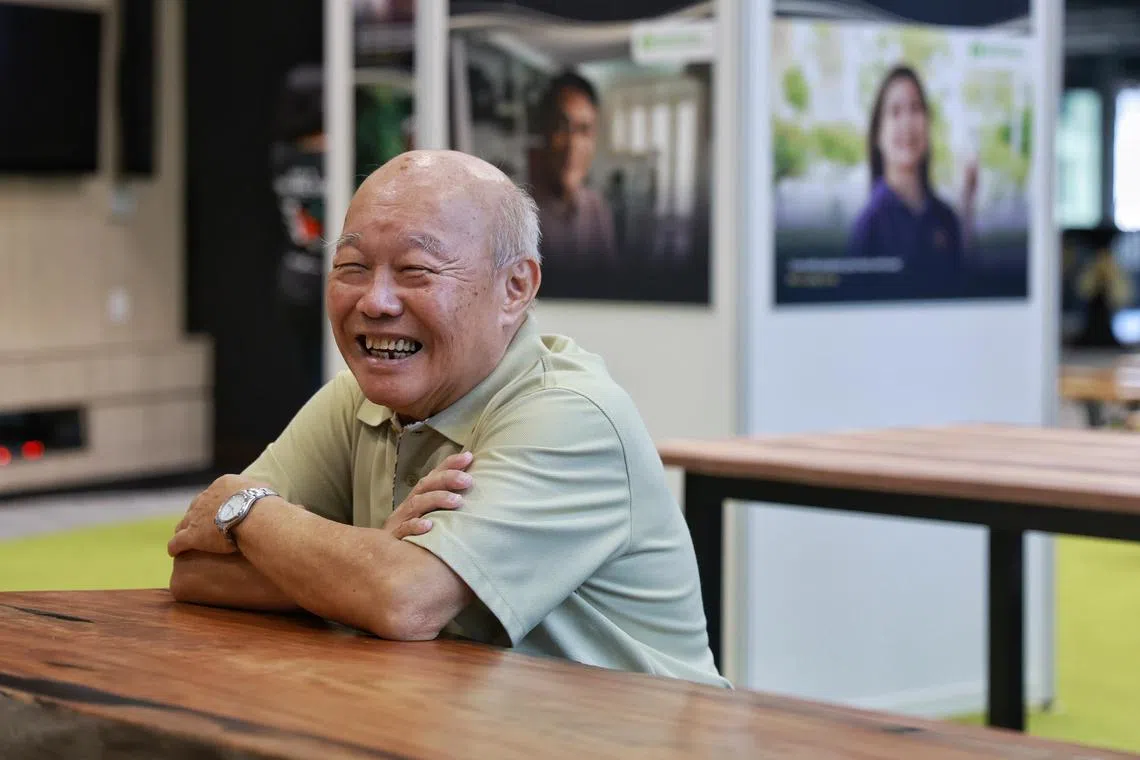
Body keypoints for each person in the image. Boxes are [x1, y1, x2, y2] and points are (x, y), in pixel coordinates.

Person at [167, 150, 729, 689]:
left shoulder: (570, 416)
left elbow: (403, 599)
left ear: (516, 289)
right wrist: (369, 554)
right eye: (352, 268)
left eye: (415, 271)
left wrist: (244, 510)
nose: (376, 301)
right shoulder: (356, 398)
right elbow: (194, 570)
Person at [847, 65, 977, 296]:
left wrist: (967, 205)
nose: (907, 123)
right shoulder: (869, 226)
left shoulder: (946, 219)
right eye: (895, 111)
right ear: (877, 134)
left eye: (915, 109)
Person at [532, 72, 618, 266]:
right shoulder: (515, 211)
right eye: (562, 127)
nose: (573, 145)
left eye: (584, 130)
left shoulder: (597, 209)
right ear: (544, 131)